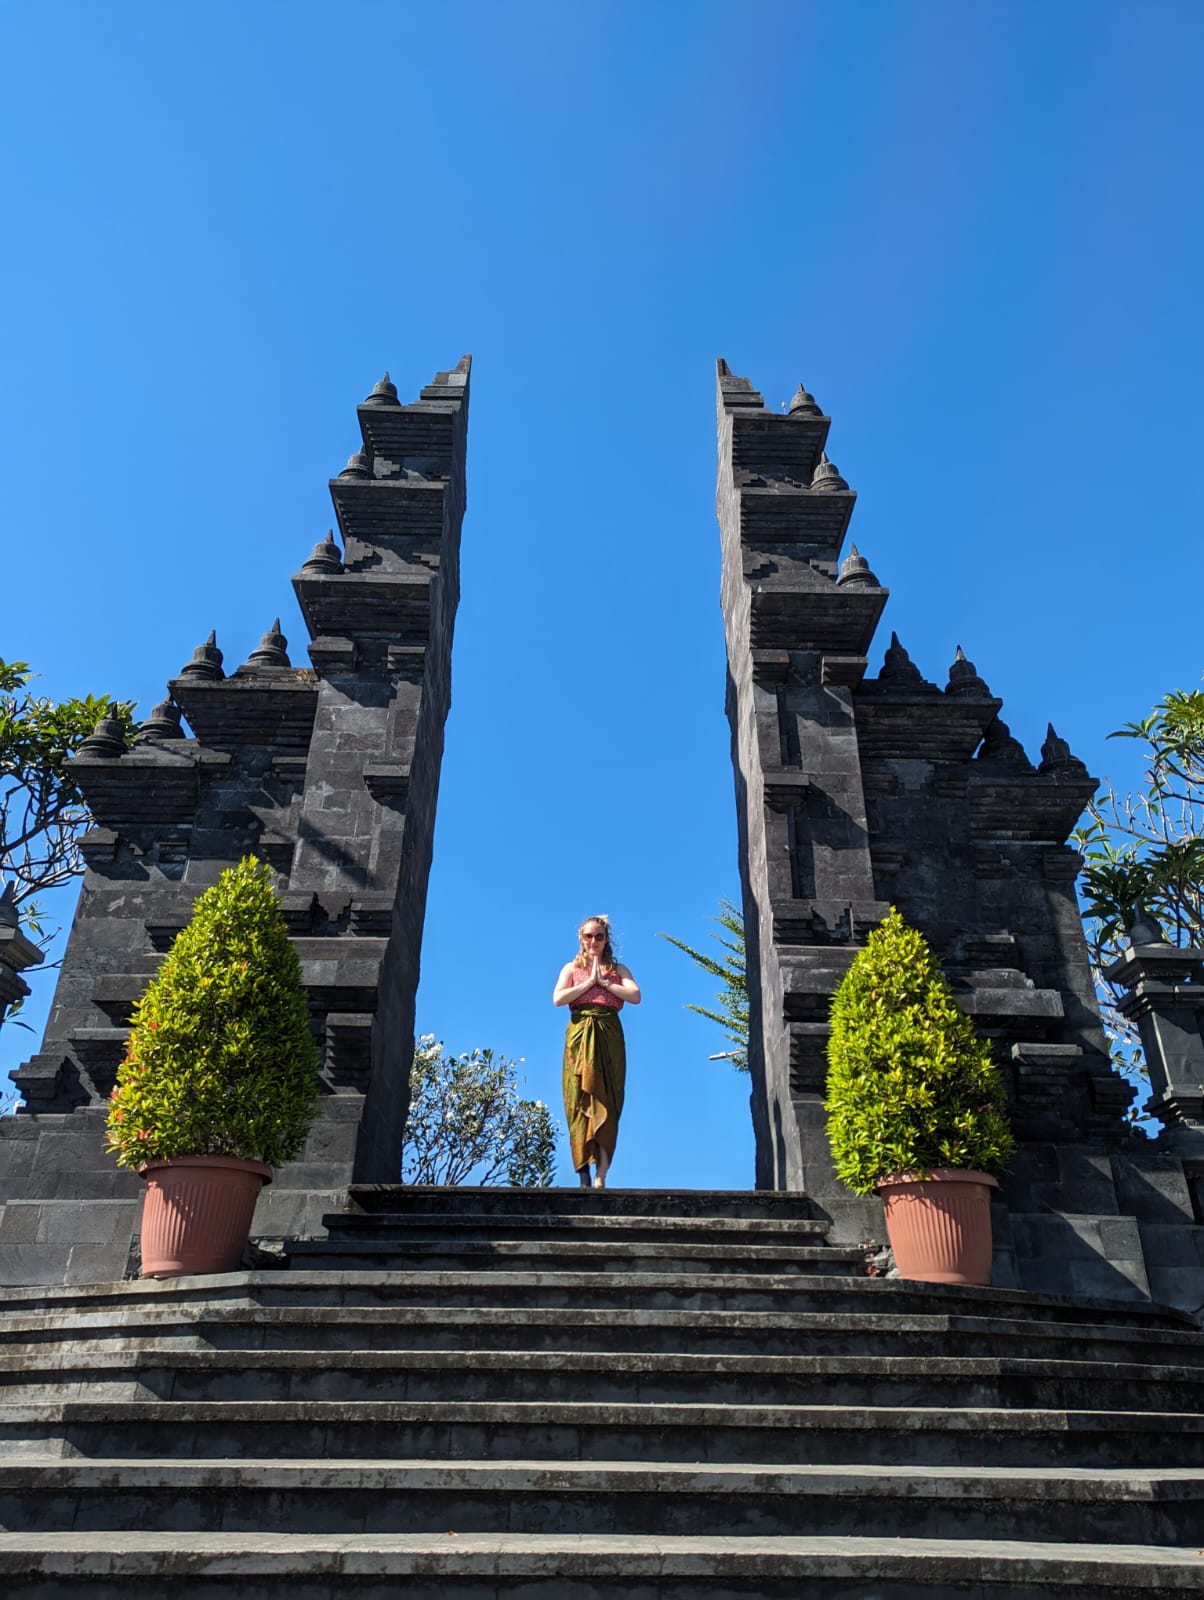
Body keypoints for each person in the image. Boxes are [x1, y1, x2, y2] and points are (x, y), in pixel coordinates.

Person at [553, 915, 641, 1188]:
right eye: (589, 936)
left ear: (606, 940)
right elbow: (558, 998)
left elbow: (635, 996)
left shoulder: (618, 968)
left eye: (599, 936)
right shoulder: (571, 968)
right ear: (581, 938)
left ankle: (602, 1174)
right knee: (578, 1099)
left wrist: (604, 983)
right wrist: (587, 983)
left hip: (608, 1035)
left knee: (609, 1100)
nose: (593, 941)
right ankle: (583, 1175)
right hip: (580, 1036)